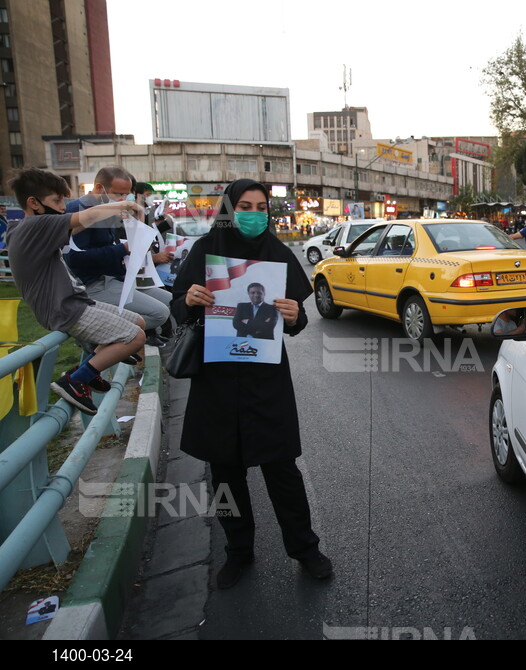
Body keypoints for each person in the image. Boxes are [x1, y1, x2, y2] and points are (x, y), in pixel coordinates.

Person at [171, 179, 331, 589]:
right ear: (228, 208)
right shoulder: (205, 251)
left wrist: (295, 316)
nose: (254, 213)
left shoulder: (278, 255)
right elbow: (177, 313)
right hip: (216, 383)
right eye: (244, 205)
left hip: (266, 382)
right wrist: (189, 301)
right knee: (225, 474)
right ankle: (238, 552)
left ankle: (305, 548)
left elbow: (295, 325)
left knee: (282, 470)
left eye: (261, 206)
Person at [6, 168, 147, 415]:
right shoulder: (34, 226)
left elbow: (76, 227)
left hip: (75, 301)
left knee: (138, 321)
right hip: (65, 308)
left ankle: (92, 368)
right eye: (57, 201)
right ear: (33, 203)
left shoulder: (29, 229)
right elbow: (86, 217)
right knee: (135, 337)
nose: (63, 207)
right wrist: (123, 205)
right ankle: (76, 380)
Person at [65, 167, 172, 347]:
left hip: (116, 277)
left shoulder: (107, 210)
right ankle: (98, 337)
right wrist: (123, 249)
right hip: (92, 284)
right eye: (118, 194)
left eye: (127, 195)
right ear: (99, 189)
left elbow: (110, 248)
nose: (123, 200)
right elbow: (75, 258)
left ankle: (105, 340)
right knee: (159, 313)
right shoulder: (79, 210)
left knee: (170, 302)